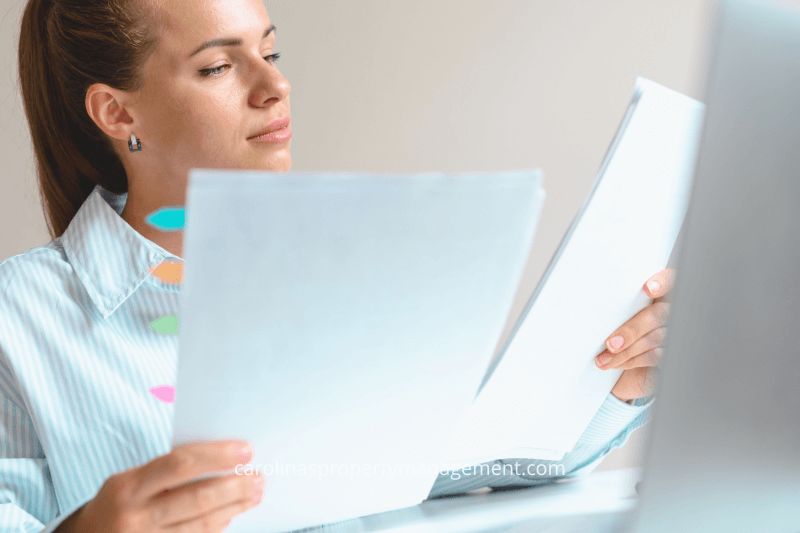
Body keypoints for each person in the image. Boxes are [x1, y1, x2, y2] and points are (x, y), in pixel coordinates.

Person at [0, 0, 672, 531]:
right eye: (217, 67)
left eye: (270, 52)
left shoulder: (351, 283)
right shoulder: (19, 320)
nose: (276, 85)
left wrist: (619, 380)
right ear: (116, 111)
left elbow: (464, 472)